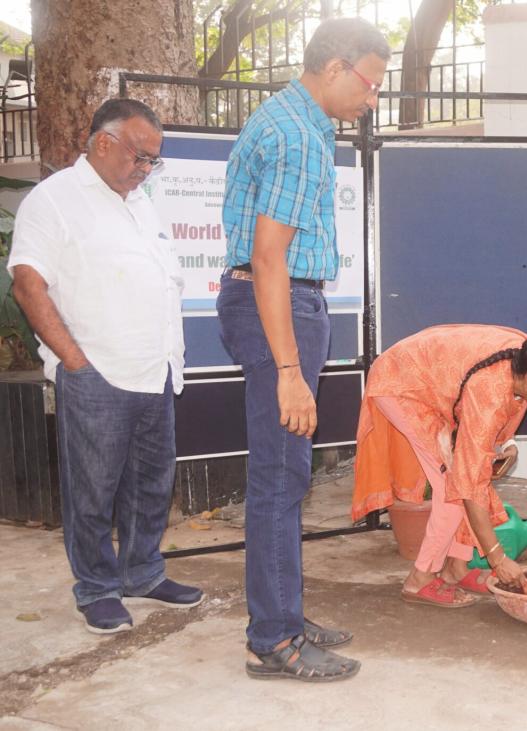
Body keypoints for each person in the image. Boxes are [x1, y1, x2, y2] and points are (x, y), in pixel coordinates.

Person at [216, 17, 390, 682]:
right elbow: (267, 258)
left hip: (285, 304)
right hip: (278, 308)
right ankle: (275, 637)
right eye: (370, 84)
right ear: (336, 67)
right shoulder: (296, 134)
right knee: (280, 478)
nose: (372, 98)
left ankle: (282, 610)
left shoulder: (301, 125)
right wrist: (290, 369)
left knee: (287, 476)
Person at [9, 99, 202, 634]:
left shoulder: (140, 204)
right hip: (97, 375)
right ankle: (96, 587)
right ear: (102, 143)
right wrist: (75, 362)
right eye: (139, 157)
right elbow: (28, 284)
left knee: (150, 485)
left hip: (155, 370)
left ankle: (142, 572)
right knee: (91, 491)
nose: (145, 170)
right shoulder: (54, 201)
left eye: (152, 162)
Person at [352, 326, 527, 606]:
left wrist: (503, 443)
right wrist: (497, 557)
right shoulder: (490, 390)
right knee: (452, 489)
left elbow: (505, 409)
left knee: (466, 479)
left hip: (425, 382)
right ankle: (419, 580)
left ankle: (456, 569)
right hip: (402, 384)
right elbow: (468, 485)